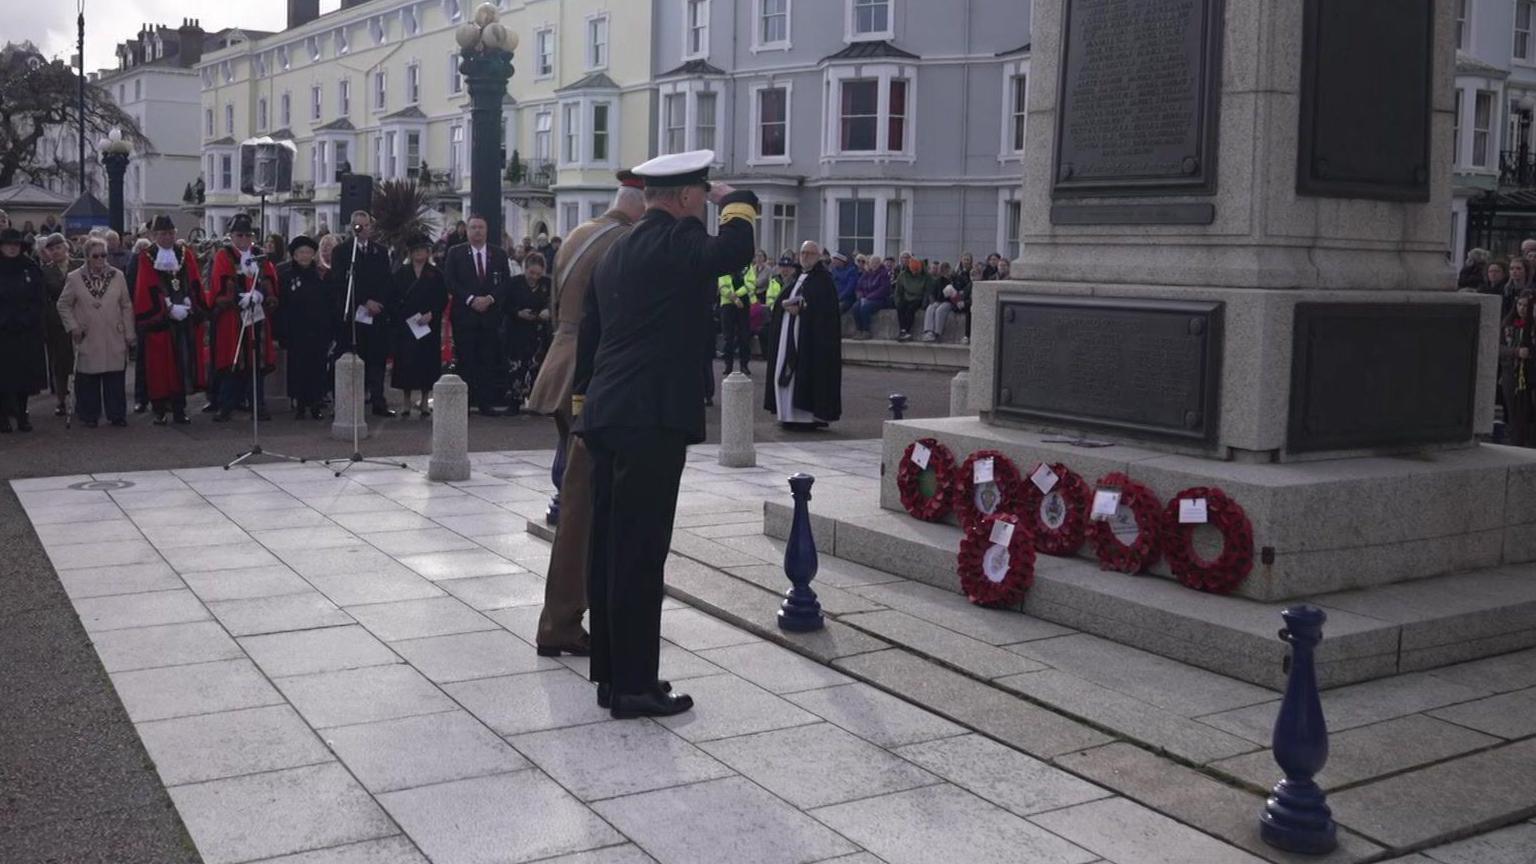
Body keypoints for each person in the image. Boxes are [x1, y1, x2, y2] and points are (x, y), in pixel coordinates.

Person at [576, 150, 758, 718]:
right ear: (682, 198)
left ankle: (611, 675)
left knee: (609, 548)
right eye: (700, 195)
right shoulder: (675, 241)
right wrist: (737, 200)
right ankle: (635, 686)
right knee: (640, 553)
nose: (705, 204)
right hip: (648, 418)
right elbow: (734, 253)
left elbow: (592, 332)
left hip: (610, 412)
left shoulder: (617, 248)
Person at [525, 174, 645, 659]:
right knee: (583, 508)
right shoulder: (629, 241)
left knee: (579, 500)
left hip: (560, 362)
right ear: (642, 207)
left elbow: (558, 307)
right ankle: (564, 620)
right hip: (593, 374)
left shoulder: (578, 234)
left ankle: (572, 614)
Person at [134, 215, 207, 425]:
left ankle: (179, 408)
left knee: (182, 363)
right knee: (159, 366)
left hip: (182, 318)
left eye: (170, 233)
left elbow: (194, 280)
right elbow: (147, 287)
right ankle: (159, 410)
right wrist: (167, 307)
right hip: (161, 322)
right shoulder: (147, 256)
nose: (167, 238)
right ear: (154, 235)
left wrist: (189, 302)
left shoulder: (184, 254)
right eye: (162, 234)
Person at [207, 214, 280, 422]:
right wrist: (238, 297)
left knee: (256, 362)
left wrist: (261, 295)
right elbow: (220, 280)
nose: (244, 239)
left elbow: (269, 279)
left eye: (248, 235)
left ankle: (258, 404)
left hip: (257, 316)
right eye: (240, 235)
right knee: (233, 361)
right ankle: (226, 404)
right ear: (232, 236)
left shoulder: (259, 255)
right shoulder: (225, 255)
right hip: (234, 316)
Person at [57, 237, 136, 428]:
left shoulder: (117, 276)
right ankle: (89, 414)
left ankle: (116, 414)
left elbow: (125, 305)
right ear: (87, 257)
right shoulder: (74, 278)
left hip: (113, 332)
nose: (101, 259)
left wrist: (129, 333)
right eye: (96, 256)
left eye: (104, 255)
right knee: (88, 376)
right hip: (88, 333)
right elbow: (63, 305)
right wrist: (73, 326)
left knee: (115, 376)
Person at [764, 241, 842, 430]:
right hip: (789, 330)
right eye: (802, 253)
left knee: (804, 372)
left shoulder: (823, 280)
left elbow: (825, 312)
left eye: (809, 253)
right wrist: (784, 307)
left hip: (809, 338)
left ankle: (806, 417)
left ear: (818, 257)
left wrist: (804, 311)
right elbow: (783, 299)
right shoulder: (798, 277)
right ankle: (787, 413)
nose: (805, 257)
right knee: (785, 367)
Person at [444, 214, 515, 415]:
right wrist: (471, 299)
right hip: (465, 316)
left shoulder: (498, 254)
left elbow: (505, 282)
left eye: (481, 227)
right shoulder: (455, 253)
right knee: (466, 360)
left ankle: (485, 403)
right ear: (467, 230)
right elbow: (450, 280)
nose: (477, 231)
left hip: (490, 316)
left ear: (486, 230)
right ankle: (463, 404)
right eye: (473, 227)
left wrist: (490, 299)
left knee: (487, 360)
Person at [330, 211, 397, 417]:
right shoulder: (342, 252)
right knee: (349, 356)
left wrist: (378, 303)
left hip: (376, 314)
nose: (363, 229)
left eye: (366, 225)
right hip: (353, 313)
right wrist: (363, 301)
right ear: (352, 227)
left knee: (376, 359)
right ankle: (346, 402)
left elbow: (387, 281)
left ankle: (378, 401)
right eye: (358, 226)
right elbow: (340, 282)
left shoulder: (380, 251)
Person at [275, 235, 335, 420]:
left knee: (317, 369)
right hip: (296, 331)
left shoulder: (320, 275)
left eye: (308, 252)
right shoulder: (286, 276)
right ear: (294, 255)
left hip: (317, 331)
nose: (305, 256)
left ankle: (316, 404)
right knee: (298, 368)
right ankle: (300, 405)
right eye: (301, 252)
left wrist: (329, 330)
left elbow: (328, 304)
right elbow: (282, 306)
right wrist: (282, 332)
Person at [390, 233, 448, 418]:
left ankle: (424, 401)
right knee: (406, 362)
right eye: (415, 250)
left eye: (422, 250)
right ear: (411, 252)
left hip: (428, 325)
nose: (419, 253)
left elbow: (442, 298)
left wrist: (432, 314)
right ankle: (406, 402)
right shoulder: (401, 273)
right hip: (407, 325)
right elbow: (394, 297)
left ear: (427, 252)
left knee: (426, 362)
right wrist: (403, 316)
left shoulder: (436, 273)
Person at [0, 228, 48, 432]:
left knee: (24, 375)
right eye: (8, 244)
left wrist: (27, 318)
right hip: (2, 330)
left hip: (26, 328)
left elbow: (39, 297)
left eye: (16, 244)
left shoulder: (30, 267)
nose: (12, 248)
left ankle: (22, 414)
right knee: (3, 376)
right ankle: (2, 417)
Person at [505, 252, 553, 412]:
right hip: (517, 331)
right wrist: (517, 313)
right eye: (531, 273)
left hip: (538, 333)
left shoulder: (548, 284)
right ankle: (514, 401)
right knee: (516, 367)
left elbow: (554, 302)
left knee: (537, 366)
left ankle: (536, 401)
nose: (534, 277)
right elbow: (504, 304)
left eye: (538, 274)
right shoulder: (514, 283)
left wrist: (547, 311)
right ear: (525, 269)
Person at [36, 233, 73, 417]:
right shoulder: (45, 271)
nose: (56, 251)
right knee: (60, 363)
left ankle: (84, 398)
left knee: (83, 360)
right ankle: (60, 400)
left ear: (66, 247)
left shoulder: (80, 265)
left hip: (81, 318)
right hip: (56, 322)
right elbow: (43, 298)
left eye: (59, 247)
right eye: (52, 249)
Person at [1503, 290, 1536, 447]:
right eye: (1520, 304)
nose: (1523, 308)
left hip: (1531, 374)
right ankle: (1516, 445)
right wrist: (1515, 352)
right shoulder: (1508, 325)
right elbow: (1498, 347)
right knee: (1515, 415)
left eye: (1527, 305)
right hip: (1512, 375)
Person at [717, 262, 753, 377]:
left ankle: (744, 365)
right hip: (727, 304)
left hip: (743, 304)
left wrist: (737, 295)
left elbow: (751, 284)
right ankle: (728, 366)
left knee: (744, 336)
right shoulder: (724, 265)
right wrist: (733, 297)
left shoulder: (748, 267)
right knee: (728, 337)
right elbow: (722, 285)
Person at [851, 253, 892, 339]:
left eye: (876, 263)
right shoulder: (866, 274)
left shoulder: (884, 274)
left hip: (879, 299)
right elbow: (859, 287)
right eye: (872, 263)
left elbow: (883, 289)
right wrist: (861, 296)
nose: (874, 265)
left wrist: (868, 298)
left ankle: (866, 331)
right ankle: (859, 330)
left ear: (879, 264)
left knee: (865, 308)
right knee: (855, 307)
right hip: (865, 298)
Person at [922, 262, 966, 343]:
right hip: (940, 300)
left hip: (950, 302)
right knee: (931, 307)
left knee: (940, 310)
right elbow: (934, 292)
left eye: (946, 269)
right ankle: (929, 331)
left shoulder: (955, 279)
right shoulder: (938, 280)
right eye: (943, 269)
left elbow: (958, 292)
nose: (945, 271)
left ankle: (937, 332)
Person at [893, 252, 932, 342]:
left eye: (916, 270)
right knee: (901, 307)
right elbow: (898, 291)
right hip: (906, 297)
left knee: (911, 310)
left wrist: (924, 302)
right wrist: (897, 301)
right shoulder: (903, 275)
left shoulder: (926, 277)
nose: (914, 272)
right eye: (912, 270)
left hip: (918, 298)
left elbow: (927, 291)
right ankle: (903, 330)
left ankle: (907, 330)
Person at [831, 251, 860, 316]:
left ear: (841, 260)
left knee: (837, 309)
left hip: (847, 299)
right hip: (834, 297)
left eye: (835, 259)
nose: (833, 261)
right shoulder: (834, 270)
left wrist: (839, 297)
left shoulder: (851, 271)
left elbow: (850, 288)